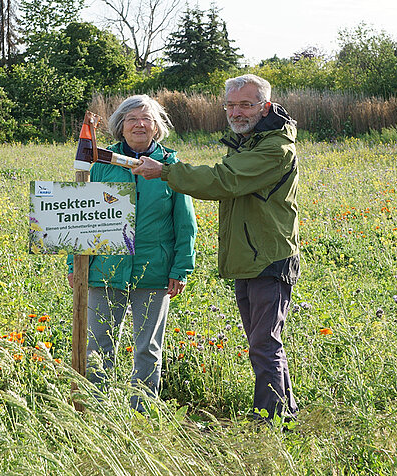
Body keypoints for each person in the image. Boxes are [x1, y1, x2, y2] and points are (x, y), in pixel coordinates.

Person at [132, 74, 299, 422]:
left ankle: (268, 421)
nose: (236, 112)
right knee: (262, 344)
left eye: (246, 105)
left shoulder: (274, 148)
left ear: (265, 106)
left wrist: (166, 171)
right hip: (250, 256)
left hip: (269, 258)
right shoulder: (249, 142)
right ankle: (282, 415)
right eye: (230, 105)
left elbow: (225, 180)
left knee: (264, 345)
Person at [67, 94, 197, 411]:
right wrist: (74, 264)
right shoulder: (102, 164)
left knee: (147, 348)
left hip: (153, 271)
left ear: (156, 126)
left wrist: (180, 269)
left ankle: (142, 413)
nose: (140, 124)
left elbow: (185, 224)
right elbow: (81, 217)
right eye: (132, 119)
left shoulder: (170, 167)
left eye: (146, 119)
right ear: (121, 126)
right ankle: (96, 413)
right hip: (105, 269)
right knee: (98, 347)